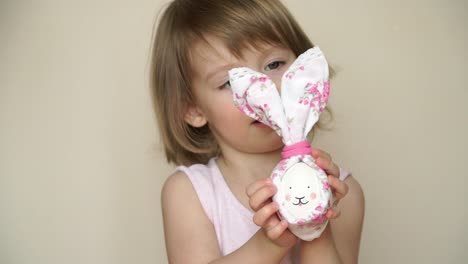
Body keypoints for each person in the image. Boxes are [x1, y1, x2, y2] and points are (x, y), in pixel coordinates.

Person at [149, 0, 365, 263]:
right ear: (193, 109)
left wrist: (315, 224)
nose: (265, 90)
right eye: (231, 82)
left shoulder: (344, 192)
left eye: (274, 65)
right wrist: (268, 244)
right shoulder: (189, 192)